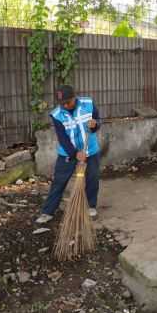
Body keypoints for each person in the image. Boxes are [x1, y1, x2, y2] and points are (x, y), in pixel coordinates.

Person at [36, 85, 102, 224]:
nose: (65, 105)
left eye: (68, 102)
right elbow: (62, 138)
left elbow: (97, 120)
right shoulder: (57, 114)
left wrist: (95, 124)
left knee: (92, 178)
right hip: (67, 152)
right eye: (62, 103)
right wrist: (75, 153)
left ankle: (90, 206)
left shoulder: (88, 104)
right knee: (59, 181)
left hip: (90, 149)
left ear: (74, 97)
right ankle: (48, 211)